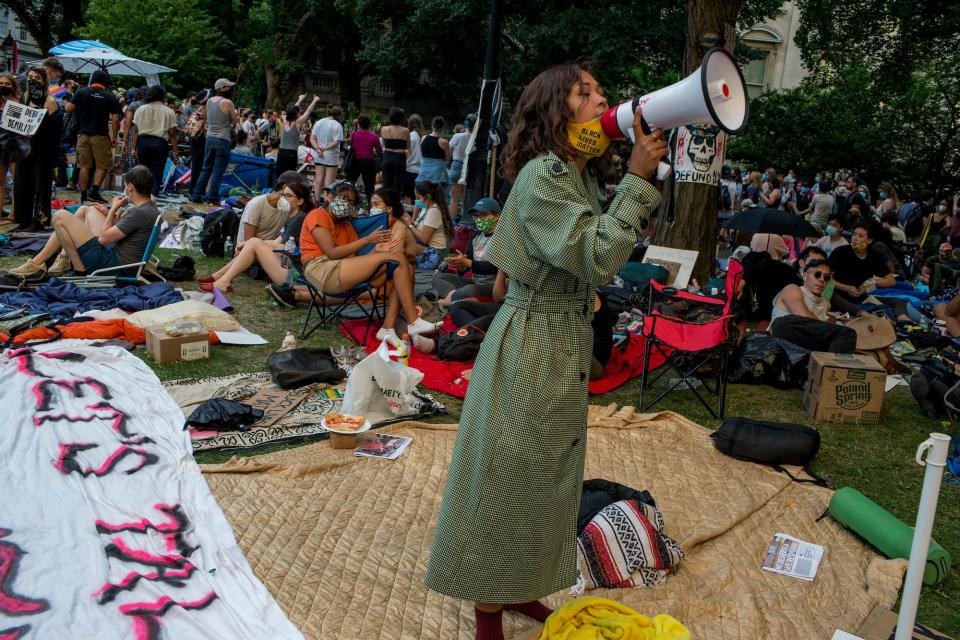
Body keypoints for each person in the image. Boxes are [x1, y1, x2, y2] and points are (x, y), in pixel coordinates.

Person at [424, 61, 665, 640]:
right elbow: (597, 257)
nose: (602, 99)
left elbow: (506, 273)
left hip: (557, 339)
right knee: (509, 478)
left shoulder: (573, 176)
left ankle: (521, 585)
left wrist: (567, 295)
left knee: (549, 478)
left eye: (601, 90)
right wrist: (637, 180)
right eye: (587, 93)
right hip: (533, 348)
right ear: (557, 111)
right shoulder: (544, 175)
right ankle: (488, 608)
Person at [297, 181, 440, 345]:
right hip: (320, 269)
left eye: (351, 202)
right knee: (398, 258)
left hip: (342, 274)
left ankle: (388, 327)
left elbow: (352, 263)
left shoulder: (347, 227)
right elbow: (331, 252)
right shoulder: (318, 215)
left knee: (406, 267)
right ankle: (413, 321)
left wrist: (376, 252)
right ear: (330, 197)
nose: (346, 204)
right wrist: (368, 240)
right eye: (343, 198)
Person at [8, 165, 159, 279]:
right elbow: (126, 228)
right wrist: (109, 212)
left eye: (126, 186)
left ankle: (49, 264)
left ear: (130, 187)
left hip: (112, 265)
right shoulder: (148, 208)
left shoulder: (139, 213)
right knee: (86, 210)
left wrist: (113, 209)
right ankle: (63, 259)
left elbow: (104, 238)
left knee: (60, 216)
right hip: (119, 259)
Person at [199, 177, 315, 293]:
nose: (283, 199)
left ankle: (222, 281)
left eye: (288, 196)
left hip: (294, 277)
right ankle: (220, 278)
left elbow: (280, 248)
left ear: (300, 201)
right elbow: (276, 242)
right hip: (290, 270)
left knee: (254, 243)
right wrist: (248, 243)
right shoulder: (293, 216)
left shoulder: (299, 219)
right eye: (283, 195)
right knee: (253, 243)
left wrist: (253, 245)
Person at [769, 259, 857, 353]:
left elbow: (818, 329)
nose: (822, 279)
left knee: (847, 334)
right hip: (783, 336)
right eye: (817, 274)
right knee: (845, 333)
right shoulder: (792, 289)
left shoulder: (825, 304)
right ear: (805, 276)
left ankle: (829, 365)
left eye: (826, 277)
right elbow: (803, 316)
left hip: (805, 344)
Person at [829, 222, 910, 322]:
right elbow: (827, 279)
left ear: (869, 240)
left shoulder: (874, 255)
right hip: (840, 299)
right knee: (875, 314)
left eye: (860, 236)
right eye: (854, 234)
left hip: (862, 298)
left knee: (898, 301)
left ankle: (903, 321)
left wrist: (874, 282)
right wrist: (846, 288)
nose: (855, 238)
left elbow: (891, 280)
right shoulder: (840, 252)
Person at [13, 66, 60, 231]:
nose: (33, 80)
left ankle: (39, 220)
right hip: (23, 150)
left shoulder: (50, 102)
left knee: (41, 186)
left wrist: (37, 133)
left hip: (42, 152)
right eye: (30, 77)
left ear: (44, 81)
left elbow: (55, 130)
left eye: (37, 78)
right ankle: (23, 219)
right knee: (22, 185)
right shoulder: (24, 99)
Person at [64, 69, 121, 204]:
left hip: (82, 135)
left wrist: (74, 96)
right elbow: (116, 120)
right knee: (102, 165)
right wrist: (114, 137)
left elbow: (68, 108)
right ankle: (94, 192)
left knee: (84, 165)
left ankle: (83, 195)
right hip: (100, 136)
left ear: (92, 80)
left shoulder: (81, 92)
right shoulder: (110, 96)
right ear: (105, 82)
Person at [432, 197, 500, 301]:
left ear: (496, 216)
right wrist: (460, 264)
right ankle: (457, 299)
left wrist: (466, 262)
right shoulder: (476, 236)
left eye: (484, 215)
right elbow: (468, 263)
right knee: (438, 278)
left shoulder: (503, 238)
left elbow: (493, 267)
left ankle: (450, 301)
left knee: (468, 290)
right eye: (476, 216)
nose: (479, 219)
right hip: (475, 282)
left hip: (493, 286)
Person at [190, 78, 237, 204]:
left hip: (210, 138)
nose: (231, 89)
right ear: (222, 88)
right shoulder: (228, 102)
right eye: (228, 87)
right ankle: (212, 197)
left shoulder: (209, 101)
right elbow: (234, 121)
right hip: (223, 139)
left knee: (206, 168)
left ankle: (196, 195)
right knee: (218, 170)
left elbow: (206, 120)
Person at [131, 85, 178, 196]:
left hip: (143, 142)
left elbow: (136, 131)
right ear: (163, 96)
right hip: (160, 144)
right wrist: (176, 152)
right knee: (156, 173)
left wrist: (133, 148)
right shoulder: (169, 112)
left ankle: (140, 196)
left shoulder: (141, 109)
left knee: (142, 172)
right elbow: (172, 135)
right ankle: (152, 197)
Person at [403, 180, 451, 266]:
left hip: (436, 254)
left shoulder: (433, 211)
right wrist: (409, 219)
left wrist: (409, 225)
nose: (416, 201)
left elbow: (424, 239)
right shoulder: (427, 208)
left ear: (428, 197)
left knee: (402, 246)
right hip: (428, 249)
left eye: (418, 198)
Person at [346, 113, 382, 204]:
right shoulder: (374, 137)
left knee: (351, 184)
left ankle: (349, 203)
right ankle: (371, 206)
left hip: (355, 161)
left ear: (359, 124)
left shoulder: (353, 135)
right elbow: (379, 151)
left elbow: (352, 146)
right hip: (368, 162)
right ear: (369, 124)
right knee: (369, 187)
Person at [311, 104, 344, 200]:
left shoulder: (318, 123)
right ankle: (327, 203)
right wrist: (324, 149)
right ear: (338, 115)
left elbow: (312, 138)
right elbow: (336, 142)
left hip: (319, 155)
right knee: (329, 183)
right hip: (331, 156)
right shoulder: (338, 125)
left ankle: (315, 201)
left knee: (318, 180)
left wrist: (317, 148)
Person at [278, 97, 318, 175]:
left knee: (279, 175)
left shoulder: (284, 120)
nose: (299, 113)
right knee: (290, 176)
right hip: (291, 154)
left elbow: (291, 111)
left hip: (281, 153)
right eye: (298, 112)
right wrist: (315, 100)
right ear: (297, 115)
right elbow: (308, 111)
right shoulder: (297, 123)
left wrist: (300, 100)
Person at [379, 106, 410, 195]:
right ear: (401, 118)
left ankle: (386, 205)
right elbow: (408, 146)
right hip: (399, 158)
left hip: (387, 157)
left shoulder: (383, 129)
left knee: (386, 186)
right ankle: (395, 205)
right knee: (397, 187)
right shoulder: (406, 130)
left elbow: (384, 144)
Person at [448, 115, 474, 218]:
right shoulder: (474, 138)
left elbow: (449, 149)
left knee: (454, 197)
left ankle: (452, 221)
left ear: (465, 124)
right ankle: (464, 220)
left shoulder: (458, 136)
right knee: (465, 197)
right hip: (469, 166)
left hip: (457, 164)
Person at [416, 116, 451, 190]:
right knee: (436, 193)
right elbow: (448, 157)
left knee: (423, 191)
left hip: (424, 170)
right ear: (443, 127)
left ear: (432, 125)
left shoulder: (423, 138)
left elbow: (421, 153)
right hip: (437, 173)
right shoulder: (444, 142)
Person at [404, 114, 424, 203]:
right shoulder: (420, 137)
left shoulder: (411, 136)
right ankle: (415, 216)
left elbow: (407, 152)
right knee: (417, 196)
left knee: (407, 196)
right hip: (419, 170)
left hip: (410, 169)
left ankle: (407, 216)